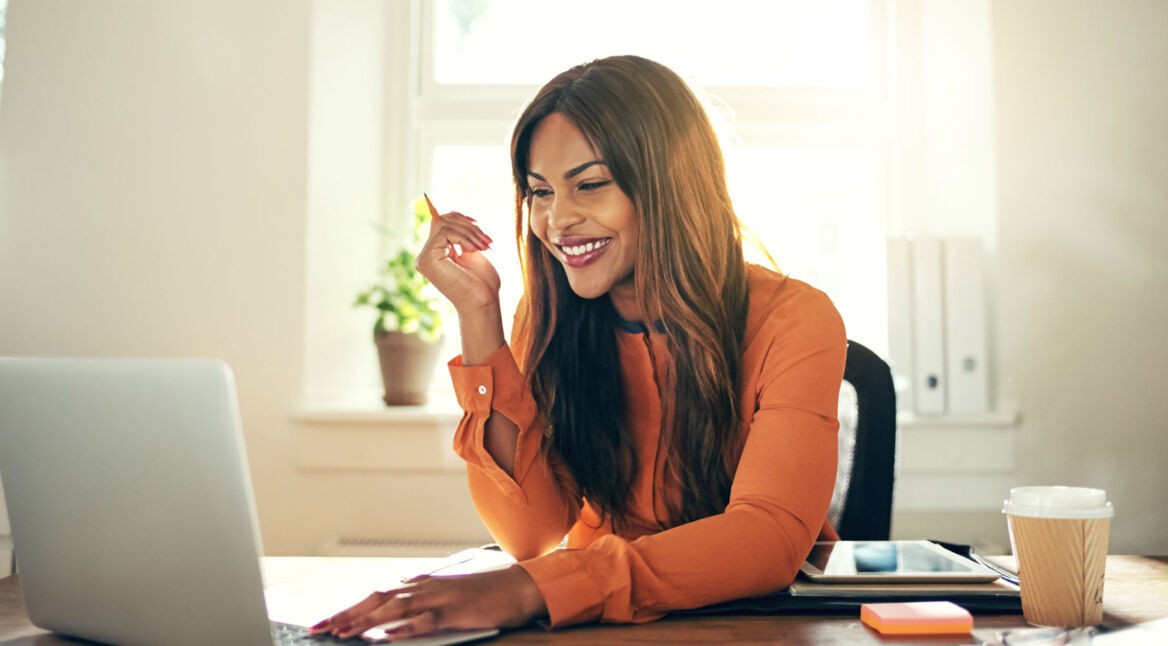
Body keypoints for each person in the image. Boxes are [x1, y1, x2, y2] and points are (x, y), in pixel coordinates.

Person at [312, 54, 846, 640]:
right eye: (539, 192)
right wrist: (478, 314)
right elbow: (529, 534)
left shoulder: (795, 318)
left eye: (589, 185)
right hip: (597, 624)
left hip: (757, 624)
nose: (556, 220)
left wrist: (533, 588)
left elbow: (766, 536)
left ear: (670, 184)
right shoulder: (546, 316)